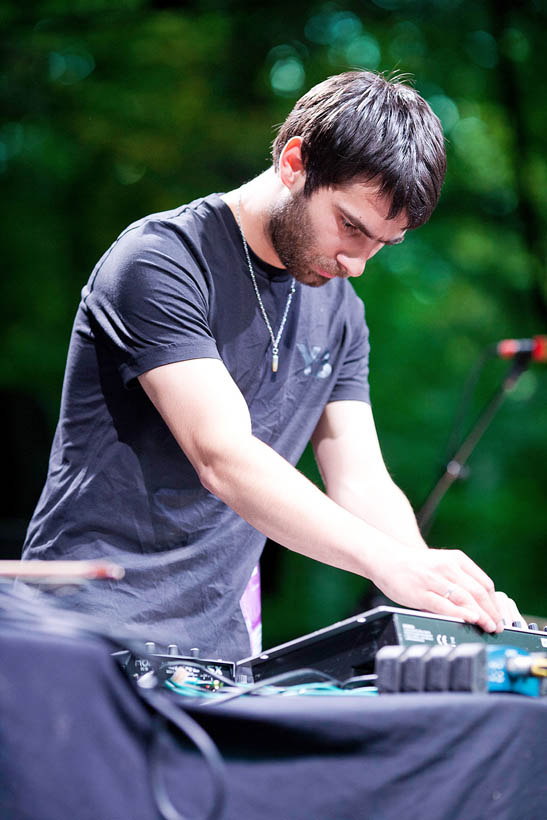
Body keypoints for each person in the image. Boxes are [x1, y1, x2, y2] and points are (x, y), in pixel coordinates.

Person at [23, 71, 518, 661]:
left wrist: (438, 591)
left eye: (383, 244)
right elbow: (223, 456)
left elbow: (360, 480)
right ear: (294, 162)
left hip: (216, 656)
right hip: (83, 638)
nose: (357, 262)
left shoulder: (341, 312)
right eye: (350, 226)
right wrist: (389, 564)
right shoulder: (160, 260)